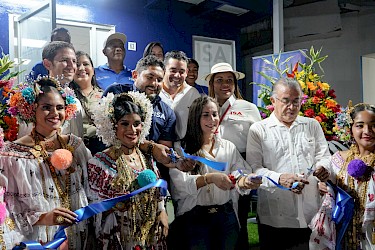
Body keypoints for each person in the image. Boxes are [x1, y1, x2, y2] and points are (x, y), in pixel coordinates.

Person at [0, 76, 90, 248]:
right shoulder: (12, 155)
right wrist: (44, 218)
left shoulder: (75, 145)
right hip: (40, 239)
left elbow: (90, 186)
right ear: (30, 110)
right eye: (46, 108)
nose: (55, 113)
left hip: (77, 235)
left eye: (60, 107)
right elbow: (9, 209)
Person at [246, 77, 331, 250]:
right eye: (285, 101)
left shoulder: (312, 125)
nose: (291, 107)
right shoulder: (259, 130)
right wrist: (279, 179)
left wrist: (323, 169)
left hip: (311, 215)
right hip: (275, 218)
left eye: (296, 101)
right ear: (273, 101)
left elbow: (324, 156)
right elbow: (254, 169)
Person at [168, 96, 262, 250]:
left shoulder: (228, 147)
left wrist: (245, 181)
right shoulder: (180, 149)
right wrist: (210, 178)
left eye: (214, 114)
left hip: (226, 217)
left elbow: (240, 171)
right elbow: (181, 186)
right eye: (205, 115)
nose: (212, 119)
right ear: (194, 118)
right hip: (194, 219)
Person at [87, 91, 169, 249]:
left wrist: (162, 212)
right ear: (113, 125)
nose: (132, 130)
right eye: (125, 123)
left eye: (137, 123)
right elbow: (94, 213)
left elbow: (158, 193)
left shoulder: (146, 156)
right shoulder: (100, 163)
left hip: (151, 235)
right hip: (118, 237)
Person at [205, 61, 261, 249]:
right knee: (212, 220)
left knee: (238, 220)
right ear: (212, 84)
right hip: (210, 165)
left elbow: (259, 140)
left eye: (229, 80)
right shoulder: (205, 107)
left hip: (239, 168)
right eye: (219, 80)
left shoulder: (248, 108)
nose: (225, 84)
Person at [324, 103, 375, 249]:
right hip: (343, 235)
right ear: (350, 129)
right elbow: (327, 192)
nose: (367, 131)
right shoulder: (338, 160)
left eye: (373, 125)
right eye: (360, 125)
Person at [159, 50, 200, 141]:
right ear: (164, 70)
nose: (177, 75)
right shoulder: (154, 91)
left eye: (181, 71)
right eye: (173, 70)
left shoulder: (193, 94)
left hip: (184, 149)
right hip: (155, 148)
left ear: (186, 72)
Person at [71, 51, 105, 154]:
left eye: (85, 64)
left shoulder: (105, 96)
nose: (81, 68)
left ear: (93, 70)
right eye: (77, 65)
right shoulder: (66, 97)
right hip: (75, 149)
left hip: (101, 149)